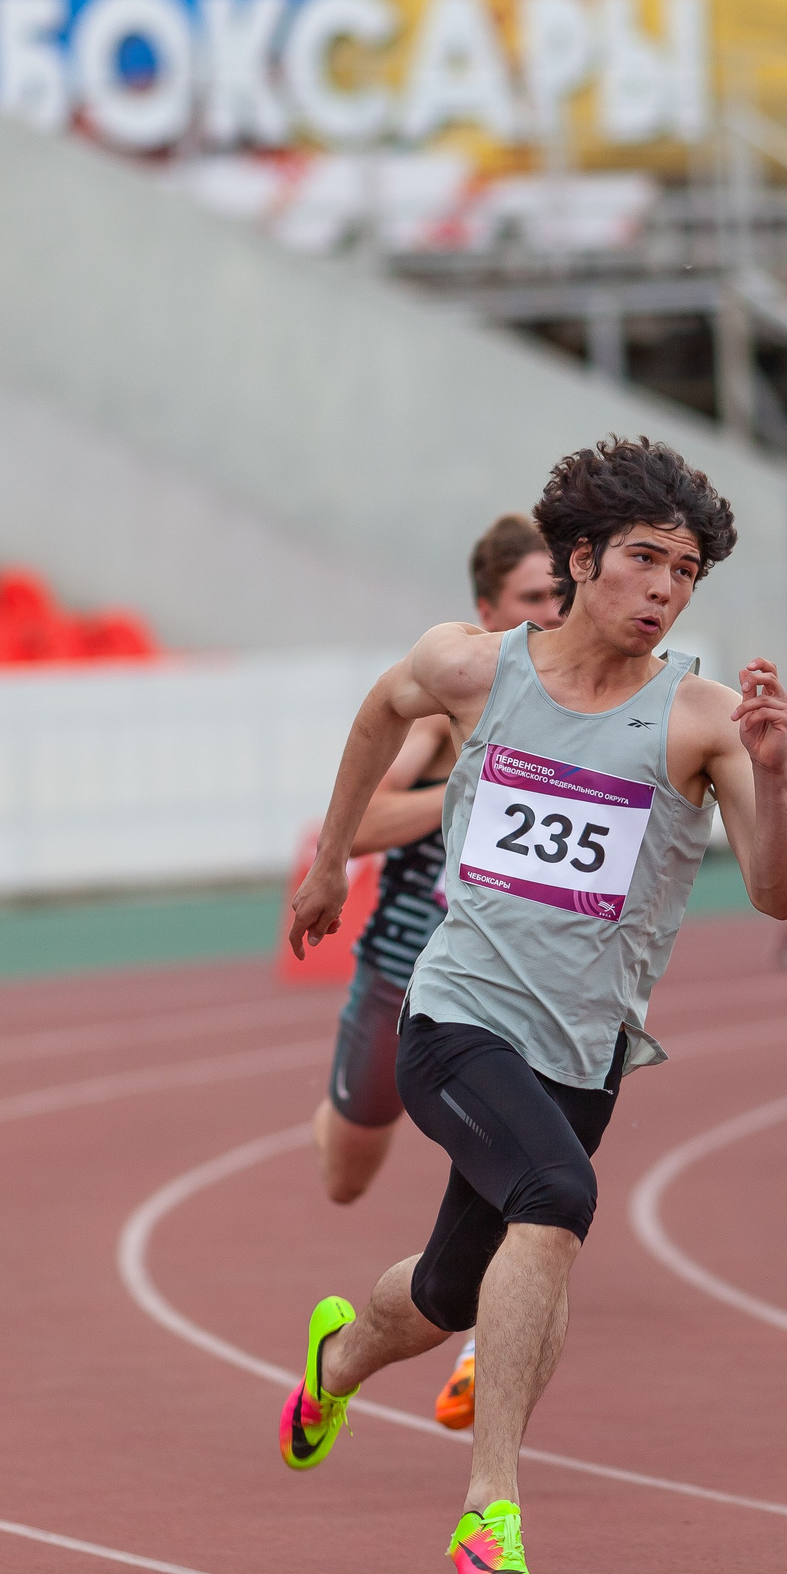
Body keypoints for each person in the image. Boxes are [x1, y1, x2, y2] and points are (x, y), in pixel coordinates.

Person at [280, 437, 787, 1574]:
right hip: (457, 1012)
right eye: (642, 561)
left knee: (450, 1292)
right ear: (580, 558)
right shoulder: (475, 668)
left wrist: (770, 779)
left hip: (586, 1051)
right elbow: (381, 708)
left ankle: (338, 1359)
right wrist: (330, 865)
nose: (664, 592)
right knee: (557, 1202)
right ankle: (491, 1509)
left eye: (685, 574)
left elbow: (777, 896)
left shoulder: (703, 720)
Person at [310, 512, 564, 1432]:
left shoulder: (575, 702)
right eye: (533, 599)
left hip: (502, 991)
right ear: (488, 608)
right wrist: (462, 790)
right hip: (400, 962)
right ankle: (330, 1108)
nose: (550, 612)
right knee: (346, 1171)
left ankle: (476, 1355)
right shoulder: (450, 710)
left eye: (559, 597)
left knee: (529, 1176)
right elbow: (366, 823)